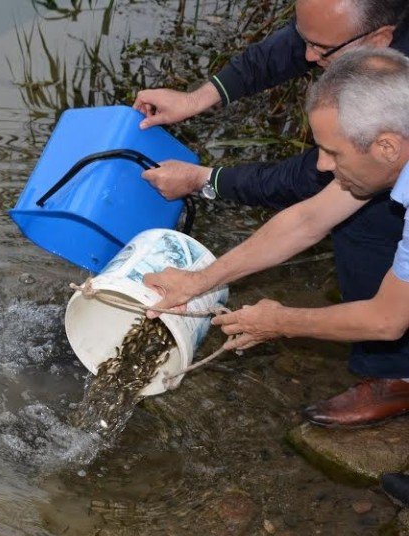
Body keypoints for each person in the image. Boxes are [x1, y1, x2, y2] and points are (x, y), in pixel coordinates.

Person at [132, 0, 409, 427]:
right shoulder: (389, 146)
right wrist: (198, 281)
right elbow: (307, 219)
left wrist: (278, 322)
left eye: (332, 152)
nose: (320, 166)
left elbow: (387, 319)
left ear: (387, 146)